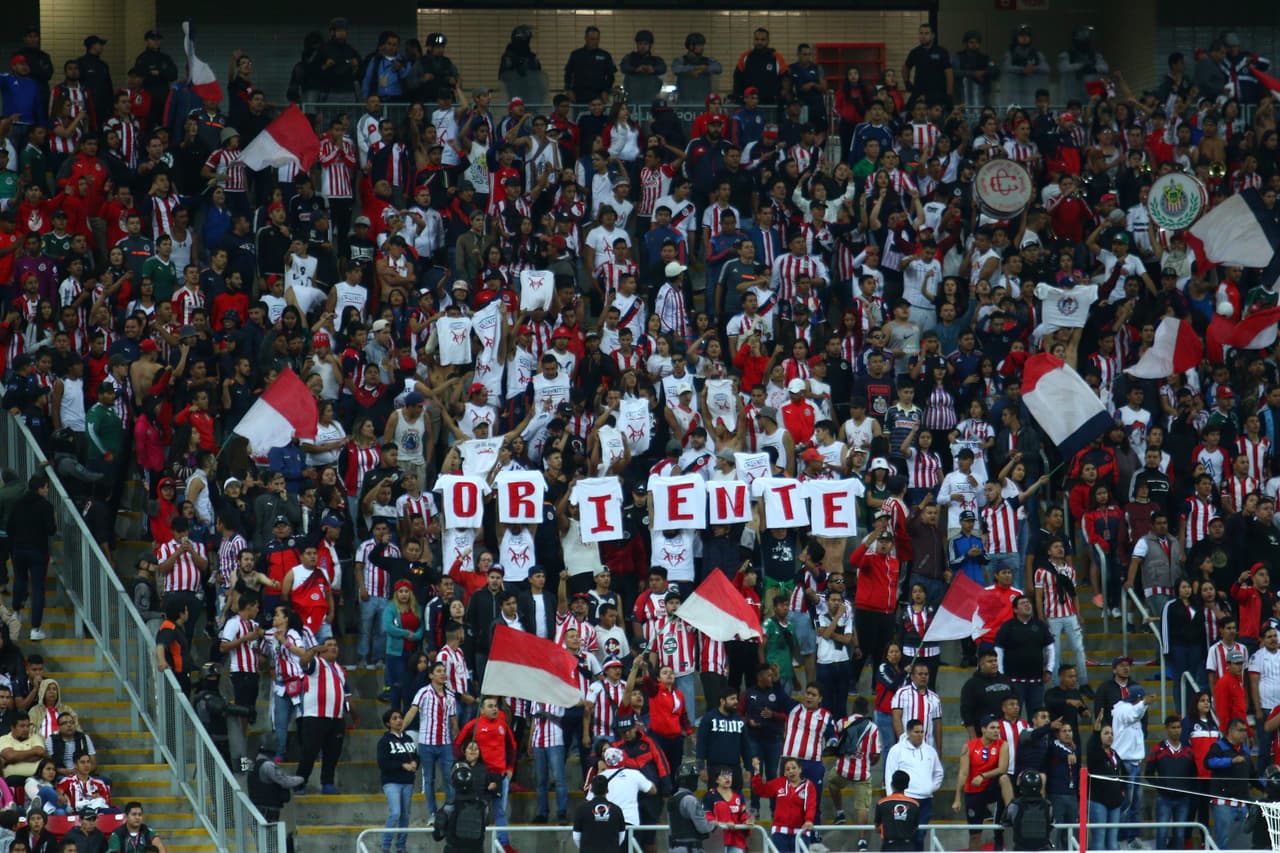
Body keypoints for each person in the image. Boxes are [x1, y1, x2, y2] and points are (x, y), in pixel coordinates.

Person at [294, 637, 349, 794]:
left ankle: (328, 784)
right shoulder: (316, 663)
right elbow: (303, 662)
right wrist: (313, 650)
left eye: (335, 645)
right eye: (329, 645)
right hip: (315, 717)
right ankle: (300, 783)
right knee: (309, 753)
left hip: (337, 718)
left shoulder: (340, 669)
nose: (333, 647)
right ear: (322, 649)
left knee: (332, 754)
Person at [882, 718, 943, 846]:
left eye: (922, 732)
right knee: (906, 836)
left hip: (926, 801)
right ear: (908, 732)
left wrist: (931, 787)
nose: (920, 735)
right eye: (917, 732)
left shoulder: (930, 751)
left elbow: (939, 773)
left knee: (920, 836)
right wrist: (891, 798)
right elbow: (889, 775)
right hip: (906, 800)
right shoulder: (896, 750)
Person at [953, 715, 1009, 851]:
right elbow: (963, 773)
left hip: (991, 788)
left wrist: (983, 776)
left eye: (998, 728)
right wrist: (957, 799)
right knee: (975, 835)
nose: (996, 731)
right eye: (992, 728)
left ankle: (1011, 809)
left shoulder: (1003, 745)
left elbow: (1002, 768)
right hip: (973, 791)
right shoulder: (969, 746)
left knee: (1004, 778)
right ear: (983, 730)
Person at [749, 756, 817, 853]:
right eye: (787, 769)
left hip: (801, 832)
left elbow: (811, 805)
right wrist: (756, 772)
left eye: (794, 768)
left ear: (800, 769)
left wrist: (809, 820)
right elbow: (759, 790)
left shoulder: (808, 786)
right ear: (784, 773)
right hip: (780, 832)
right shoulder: (779, 783)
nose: (791, 771)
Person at [1206, 718, 1253, 849]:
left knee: (1244, 842)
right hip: (1223, 803)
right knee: (1224, 841)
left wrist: (1267, 785)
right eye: (1241, 730)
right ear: (1231, 731)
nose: (1244, 734)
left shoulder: (1245, 751)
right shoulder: (1218, 746)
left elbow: (1253, 775)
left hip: (1242, 802)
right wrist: (1230, 761)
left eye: (1245, 731)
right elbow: (1209, 762)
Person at [377, 708, 418, 853]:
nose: (399, 720)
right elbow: (383, 763)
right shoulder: (384, 741)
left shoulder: (408, 739)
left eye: (400, 717)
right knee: (395, 812)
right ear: (388, 723)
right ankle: (386, 847)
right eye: (394, 718)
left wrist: (415, 764)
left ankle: (401, 847)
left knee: (405, 815)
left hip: (408, 782)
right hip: (392, 782)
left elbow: (415, 756)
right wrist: (402, 765)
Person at [667, 761, 715, 853]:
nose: (695, 782)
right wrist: (713, 824)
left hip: (674, 848)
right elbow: (703, 827)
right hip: (690, 848)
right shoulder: (690, 800)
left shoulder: (672, 799)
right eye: (693, 779)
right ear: (685, 780)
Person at [1001, 769, 1053, 851]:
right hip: (1043, 849)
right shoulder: (1048, 805)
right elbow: (1051, 824)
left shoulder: (1015, 805)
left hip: (1020, 849)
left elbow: (1005, 822)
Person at [573, 775, 626, 853]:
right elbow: (621, 836)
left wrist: (585, 848)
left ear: (591, 790)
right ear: (607, 790)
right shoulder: (617, 810)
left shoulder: (581, 809)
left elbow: (576, 837)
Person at [874, 770, 921, 852]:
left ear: (892, 784)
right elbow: (915, 827)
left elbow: (877, 827)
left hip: (888, 847)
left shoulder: (881, 803)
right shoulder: (915, 805)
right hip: (909, 847)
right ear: (907, 786)